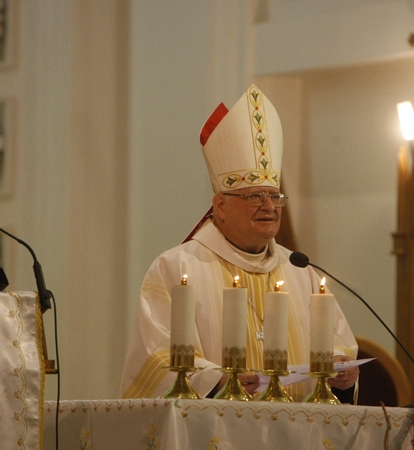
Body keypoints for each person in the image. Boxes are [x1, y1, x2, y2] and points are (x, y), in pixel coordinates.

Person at [119, 84, 358, 401]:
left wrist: (343, 370)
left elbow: (338, 345)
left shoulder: (301, 271)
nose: (270, 207)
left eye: (275, 197)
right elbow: (156, 357)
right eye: (256, 196)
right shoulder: (176, 268)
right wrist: (218, 382)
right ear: (220, 206)